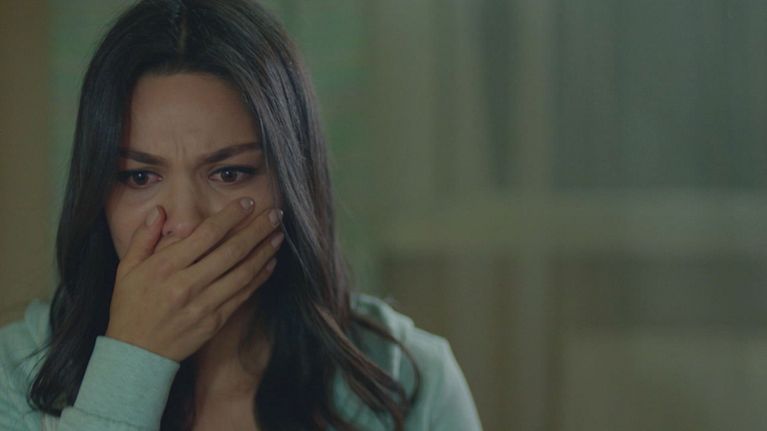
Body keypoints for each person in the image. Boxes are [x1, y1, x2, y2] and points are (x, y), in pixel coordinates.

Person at [0, 0, 482, 430]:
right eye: (140, 177)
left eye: (229, 173)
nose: (184, 222)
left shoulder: (409, 380)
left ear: (291, 182)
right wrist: (133, 361)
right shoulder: (13, 374)